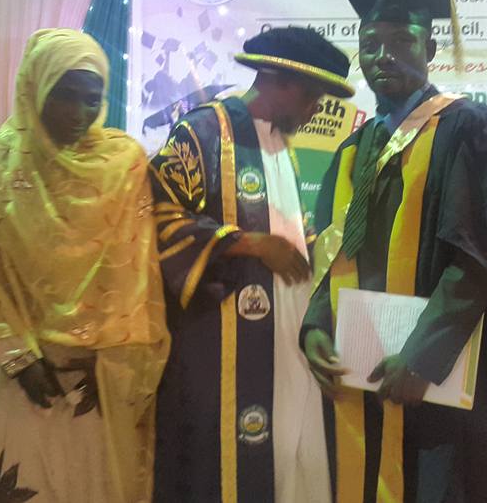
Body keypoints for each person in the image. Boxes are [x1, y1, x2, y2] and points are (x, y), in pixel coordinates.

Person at [301, 0, 487, 502]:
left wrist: (422, 355)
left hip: (443, 386)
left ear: (430, 48)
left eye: (401, 42)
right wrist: (315, 326)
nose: (383, 56)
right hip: (364, 377)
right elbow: (333, 252)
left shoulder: (474, 132)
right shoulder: (353, 149)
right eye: (369, 44)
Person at [0, 28, 168, 502]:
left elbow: (137, 275)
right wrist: (18, 358)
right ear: (35, 87)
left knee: (94, 484)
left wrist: (106, 361)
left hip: (101, 377)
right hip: (24, 375)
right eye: (64, 95)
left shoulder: (123, 163)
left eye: (91, 99)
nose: (78, 113)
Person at [148, 26, 353, 502]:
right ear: (277, 79)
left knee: (290, 461)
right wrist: (248, 244)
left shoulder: (281, 146)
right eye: (313, 96)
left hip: (286, 341)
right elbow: (154, 217)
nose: (316, 109)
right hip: (221, 349)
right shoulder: (201, 131)